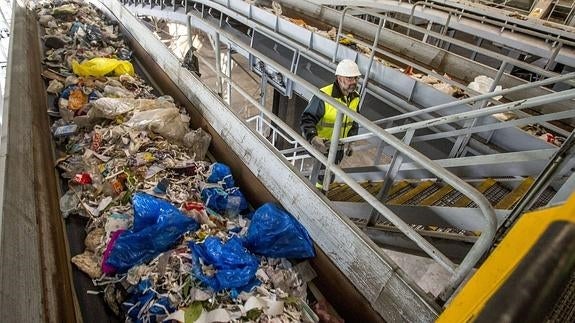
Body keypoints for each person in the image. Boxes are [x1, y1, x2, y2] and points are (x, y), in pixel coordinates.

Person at [300, 59, 361, 189]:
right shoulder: (324, 96)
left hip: (339, 145)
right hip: (323, 145)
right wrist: (313, 137)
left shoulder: (355, 97)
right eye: (350, 78)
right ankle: (317, 194)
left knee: (331, 172)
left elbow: (354, 121)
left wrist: (351, 142)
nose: (354, 82)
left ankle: (324, 190)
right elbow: (307, 118)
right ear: (339, 78)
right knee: (321, 174)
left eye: (356, 78)